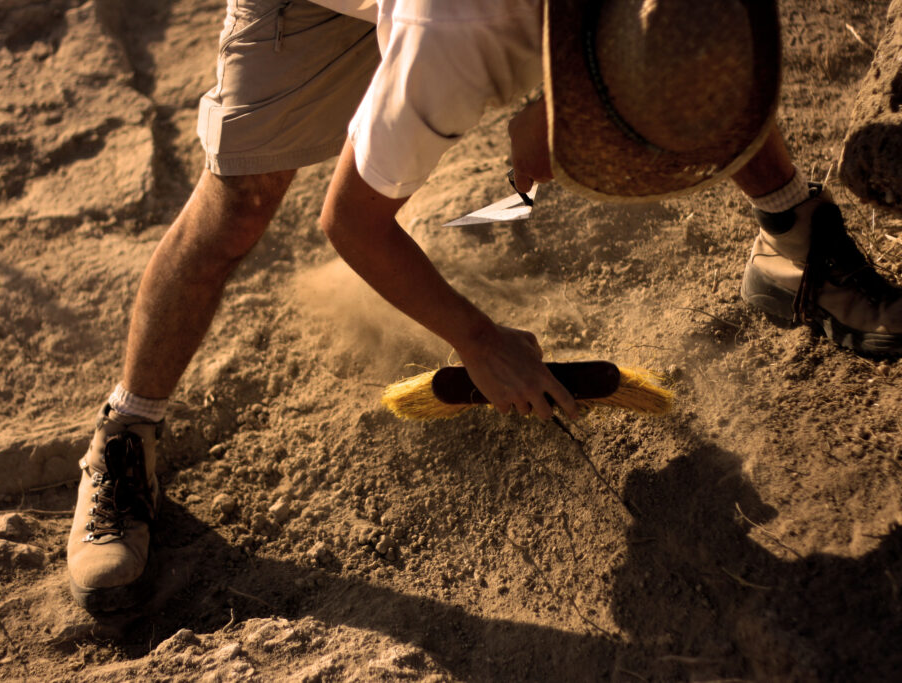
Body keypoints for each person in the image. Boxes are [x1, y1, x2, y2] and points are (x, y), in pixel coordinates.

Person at [66, 0, 902, 613]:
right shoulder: (454, 40)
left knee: (695, 70)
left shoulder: (637, 23)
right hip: (323, 11)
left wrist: (550, 105)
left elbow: (706, 66)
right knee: (241, 204)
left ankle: (792, 234)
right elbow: (347, 220)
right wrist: (478, 338)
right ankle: (124, 431)